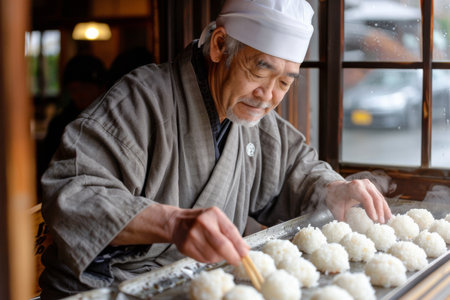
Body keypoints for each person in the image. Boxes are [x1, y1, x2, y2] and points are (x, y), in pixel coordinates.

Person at [39, 0, 392, 298]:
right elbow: (73, 191)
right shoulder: (141, 100)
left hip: (194, 284)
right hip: (115, 289)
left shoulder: (252, 118)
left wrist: (335, 189)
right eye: (259, 70)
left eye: (284, 82)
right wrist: (173, 222)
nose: (268, 97)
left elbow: (296, 169)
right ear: (220, 45)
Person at [38, 54, 107, 182]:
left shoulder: (111, 120)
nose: (80, 95)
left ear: (101, 88)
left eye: (85, 88)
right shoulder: (60, 124)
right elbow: (47, 168)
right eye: (74, 90)